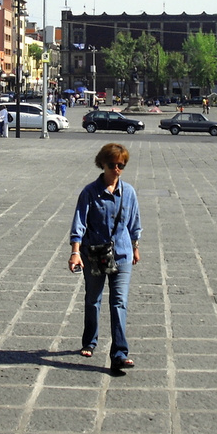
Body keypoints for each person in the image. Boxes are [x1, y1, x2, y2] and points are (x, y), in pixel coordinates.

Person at [69, 143, 141, 375]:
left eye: (122, 165)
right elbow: (79, 223)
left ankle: (119, 353)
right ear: (102, 164)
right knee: (93, 299)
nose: (117, 169)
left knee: (119, 302)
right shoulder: (89, 192)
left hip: (121, 254)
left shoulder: (129, 192)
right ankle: (90, 340)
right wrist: (75, 252)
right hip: (94, 255)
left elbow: (134, 224)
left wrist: (136, 247)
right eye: (113, 165)